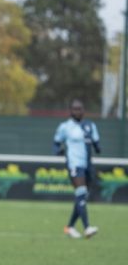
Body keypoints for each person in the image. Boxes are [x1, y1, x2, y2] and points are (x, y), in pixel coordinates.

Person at [54, 99, 100, 239]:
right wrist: (59, 151)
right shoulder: (65, 127)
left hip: (87, 165)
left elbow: (97, 144)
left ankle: (70, 227)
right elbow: (55, 143)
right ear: (70, 111)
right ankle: (87, 228)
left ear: (84, 110)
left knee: (82, 197)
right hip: (74, 164)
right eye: (75, 109)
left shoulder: (90, 126)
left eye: (80, 109)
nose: (77, 111)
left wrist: (97, 146)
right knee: (81, 193)